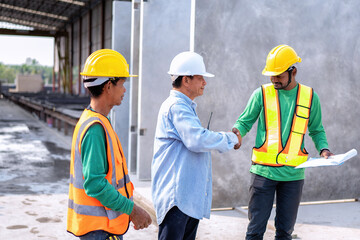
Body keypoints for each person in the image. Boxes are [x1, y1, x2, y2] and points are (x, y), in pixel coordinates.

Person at [232, 45, 334, 240]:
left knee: (285, 233)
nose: (273, 79)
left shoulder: (310, 97)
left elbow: (317, 129)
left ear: (293, 71)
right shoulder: (261, 94)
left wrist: (324, 149)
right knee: (254, 232)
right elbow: (244, 121)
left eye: (278, 75)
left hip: (293, 176)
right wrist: (237, 134)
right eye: (271, 75)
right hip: (263, 173)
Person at [151, 51, 241, 240]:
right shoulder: (176, 107)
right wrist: (229, 139)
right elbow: (196, 140)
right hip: (177, 200)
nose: (204, 83)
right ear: (186, 80)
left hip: (186, 199)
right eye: (201, 78)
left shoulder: (184, 106)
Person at [67, 49, 152, 240]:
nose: (124, 90)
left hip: (101, 228)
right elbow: (95, 184)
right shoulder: (95, 129)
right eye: (122, 84)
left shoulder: (96, 120)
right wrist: (132, 210)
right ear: (108, 86)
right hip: (99, 231)